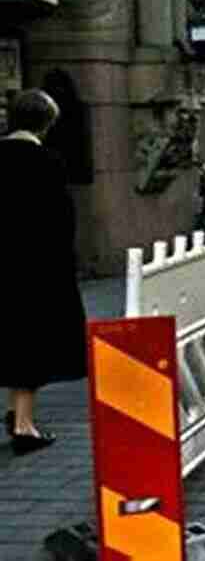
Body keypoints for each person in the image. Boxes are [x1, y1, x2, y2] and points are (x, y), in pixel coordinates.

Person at [1, 89, 87, 455]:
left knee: (8, 336)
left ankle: (11, 413)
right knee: (30, 343)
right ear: (48, 124)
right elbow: (60, 222)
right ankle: (24, 427)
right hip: (35, 268)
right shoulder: (47, 162)